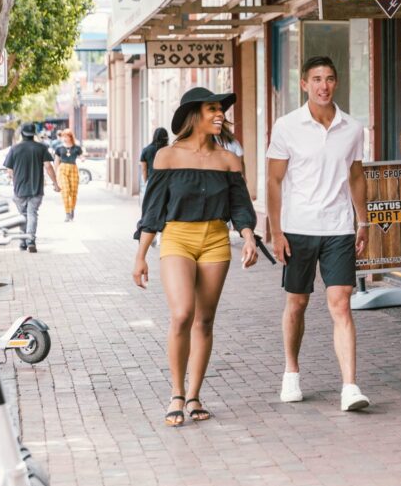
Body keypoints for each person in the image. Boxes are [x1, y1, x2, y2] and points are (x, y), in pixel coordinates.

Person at [132, 87, 258, 427]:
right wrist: (141, 255)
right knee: (183, 313)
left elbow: (240, 207)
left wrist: (248, 237)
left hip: (216, 239)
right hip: (177, 238)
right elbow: (153, 211)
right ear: (194, 115)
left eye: (221, 109)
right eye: (212, 109)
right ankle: (175, 391)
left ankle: (194, 394)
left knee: (204, 320)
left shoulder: (228, 159)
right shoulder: (166, 157)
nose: (220, 114)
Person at [267, 56, 371, 412]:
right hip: (298, 229)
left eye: (329, 78)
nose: (323, 85)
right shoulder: (286, 126)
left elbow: (356, 176)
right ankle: (291, 373)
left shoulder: (353, 128)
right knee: (297, 302)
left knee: (341, 303)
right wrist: (276, 230)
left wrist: (364, 221)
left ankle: (350, 387)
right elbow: (274, 180)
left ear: (336, 83)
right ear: (304, 84)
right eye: (316, 79)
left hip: (339, 228)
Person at [3, 122, 60, 253]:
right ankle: (31, 240)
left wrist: (15, 177)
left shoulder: (14, 148)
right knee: (32, 213)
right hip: (36, 188)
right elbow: (48, 166)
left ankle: (23, 242)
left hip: (19, 189)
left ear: (22, 133)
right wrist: (55, 184)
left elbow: (9, 171)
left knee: (23, 215)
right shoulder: (41, 147)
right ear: (34, 133)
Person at [54, 129, 83, 222]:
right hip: (62, 169)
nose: (65, 138)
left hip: (73, 169)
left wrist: (83, 158)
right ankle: (67, 213)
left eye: (67, 136)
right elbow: (56, 161)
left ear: (71, 137)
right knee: (65, 191)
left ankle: (72, 210)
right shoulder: (59, 148)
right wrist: (55, 174)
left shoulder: (76, 148)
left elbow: (82, 156)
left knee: (73, 192)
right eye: (63, 136)